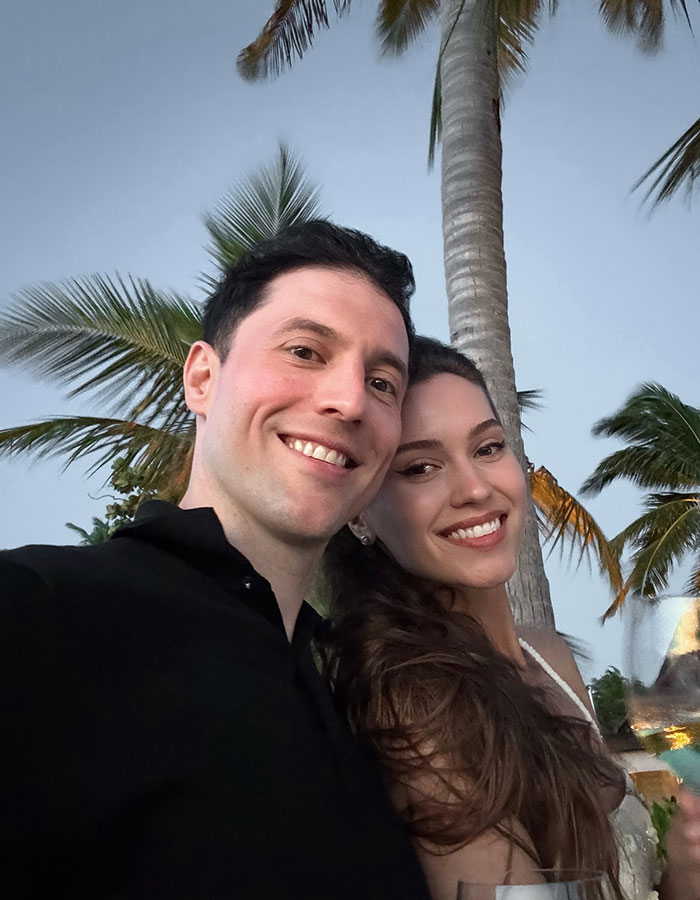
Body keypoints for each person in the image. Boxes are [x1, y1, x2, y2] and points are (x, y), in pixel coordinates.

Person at [0, 222, 431, 899]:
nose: (349, 400)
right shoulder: (35, 611)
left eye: (382, 383)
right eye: (305, 350)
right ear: (202, 377)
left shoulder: (355, 692)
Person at [323, 335, 699, 900]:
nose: (475, 488)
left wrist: (686, 871)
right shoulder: (411, 702)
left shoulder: (549, 657)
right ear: (360, 514)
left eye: (489, 447)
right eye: (421, 467)